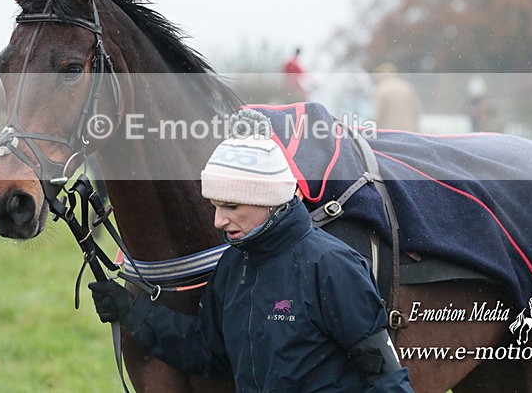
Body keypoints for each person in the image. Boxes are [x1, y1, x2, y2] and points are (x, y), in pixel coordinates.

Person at [90, 109, 413, 391]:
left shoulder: (332, 265)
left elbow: (384, 376)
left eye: (231, 206)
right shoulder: (233, 265)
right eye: (215, 206)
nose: (218, 220)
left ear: (269, 199)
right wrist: (132, 311)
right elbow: (209, 353)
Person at [372, 63, 421, 132]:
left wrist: (374, 131)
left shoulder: (382, 88)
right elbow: (416, 110)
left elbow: (379, 114)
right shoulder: (406, 86)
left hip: (391, 132)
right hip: (409, 130)